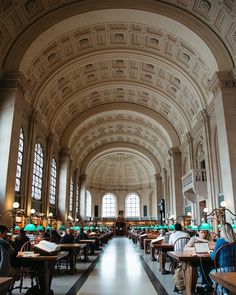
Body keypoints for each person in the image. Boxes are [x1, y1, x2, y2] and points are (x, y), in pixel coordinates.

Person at [184, 227, 213, 292]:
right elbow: (185, 248)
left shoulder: (208, 238)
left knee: (209, 264)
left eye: (205, 232)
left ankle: (207, 284)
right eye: (202, 232)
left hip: (207, 257)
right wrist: (196, 249)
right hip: (196, 258)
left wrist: (206, 242)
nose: (204, 234)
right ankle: (205, 284)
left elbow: (212, 245)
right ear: (198, 232)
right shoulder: (193, 238)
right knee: (203, 265)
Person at [210, 222, 236, 295]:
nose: (220, 232)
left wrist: (210, 252)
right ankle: (225, 289)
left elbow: (213, 257)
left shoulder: (220, 241)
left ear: (223, 231)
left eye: (221, 231)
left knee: (211, 273)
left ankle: (222, 290)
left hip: (224, 269)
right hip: (235, 269)